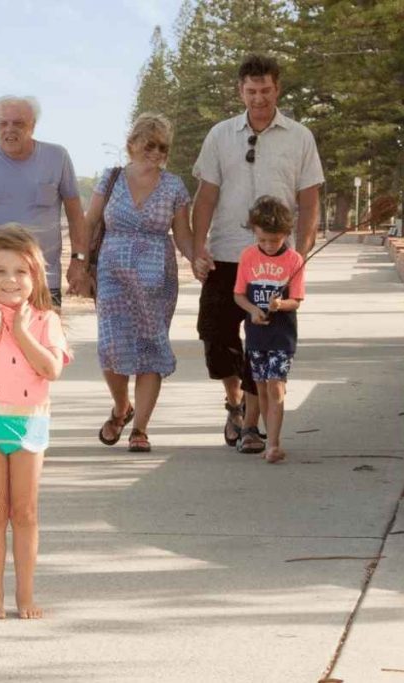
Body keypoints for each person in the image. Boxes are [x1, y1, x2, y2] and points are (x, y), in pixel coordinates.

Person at [191, 54, 323, 455]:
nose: (259, 98)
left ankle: (251, 426)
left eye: (265, 90)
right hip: (228, 251)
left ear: (277, 88)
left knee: (263, 340)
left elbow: (309, 196)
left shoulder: (299, 136)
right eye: (251, 91)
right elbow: (206, 194)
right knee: (215, 334)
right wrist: (199, 246)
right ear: (240, 91)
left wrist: (299, 251)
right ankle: (234, 402)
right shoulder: (220, 135)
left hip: (274, 258)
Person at [0, 224, 71, 619]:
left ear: (35, 275)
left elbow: (51, 369)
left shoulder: (45, 320)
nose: (10, 280)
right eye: (0, 271)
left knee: (25, 512)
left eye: (20, 271)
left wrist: (20, 331)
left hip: (29, 424)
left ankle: (26, 594)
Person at [86, 113, 194, 453]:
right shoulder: (111, 178)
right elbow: (90, 222)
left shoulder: (175, 186)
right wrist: (78, 265)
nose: (157, 152)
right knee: (112, 348)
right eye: (150, 145)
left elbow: (184, 236)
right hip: (112, 274)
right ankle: (122, 407)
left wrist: (198, 258)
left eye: (163, 147)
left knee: (150, 347)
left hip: (156, 279)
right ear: (132, 145)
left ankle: (141, 429)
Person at [0, 95, 88, 308]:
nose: (9, 129)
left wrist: (79, 260)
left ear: (33, 126)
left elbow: (76, 215)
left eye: (18, 123)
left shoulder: (57, 157)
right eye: (3, 123)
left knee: (44, 341)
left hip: (43, 280)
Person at [233, 197, 305, 464]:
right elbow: (239, 295)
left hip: (281, 336)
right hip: (256, 335)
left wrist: (280, 304)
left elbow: (296, 300)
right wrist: (253, 310)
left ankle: (274, 443)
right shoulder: (248, 257)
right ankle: (268, 440)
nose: (268, 246)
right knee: (261, 387)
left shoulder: (294, 260)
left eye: (274, 241)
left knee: (276, 386)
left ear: (286, 234)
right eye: (262, 240)